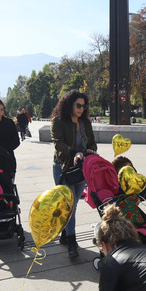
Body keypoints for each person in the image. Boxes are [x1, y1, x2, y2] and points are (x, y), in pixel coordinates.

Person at [51, 90, 98, 257]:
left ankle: (65, 233)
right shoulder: (58, 121)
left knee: (73, 204)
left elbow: (92, 142)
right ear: (69, 104)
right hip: (63, 167)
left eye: (84, 106)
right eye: (78, 105)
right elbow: (59, 144)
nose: (81, 109)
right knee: (70, 203)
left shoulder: (85, 122)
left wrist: (89, 151)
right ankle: (72, 241)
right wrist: (74, 153)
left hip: (81, 168)